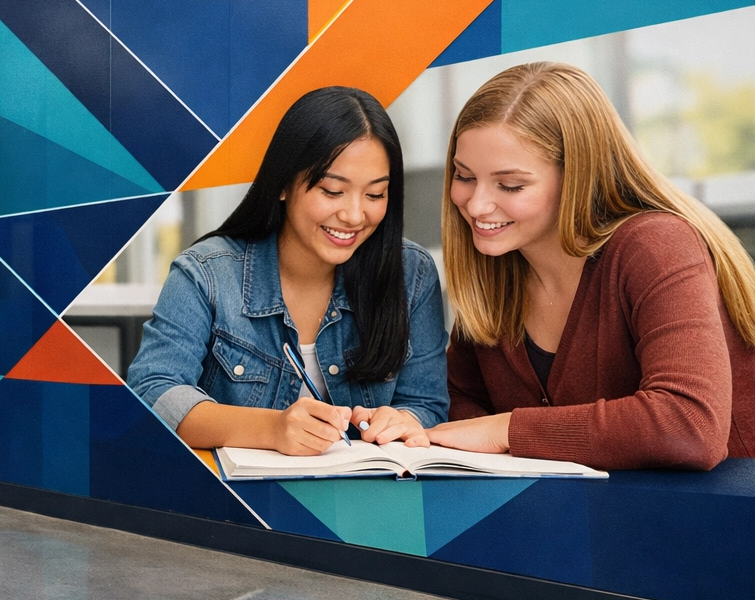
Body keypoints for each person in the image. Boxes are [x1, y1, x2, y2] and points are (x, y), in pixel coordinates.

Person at [428, 62, 755, 469]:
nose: (476, 205)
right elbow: (455, 401)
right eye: (463, 176)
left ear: (577, 177)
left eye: (510, 185)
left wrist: (507, 431)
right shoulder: (497, 269)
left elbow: (688, 426)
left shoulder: (654, 246)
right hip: (590, 525)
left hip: (719, 524)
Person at [127, 87, 447, 454]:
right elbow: (154, 392)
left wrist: (404, 420)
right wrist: (272, 429)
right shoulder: (206, 274)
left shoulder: (412, 273)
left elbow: (427, 405)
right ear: (282, 184)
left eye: (375, 195)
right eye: (331, 191)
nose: (355, 215)